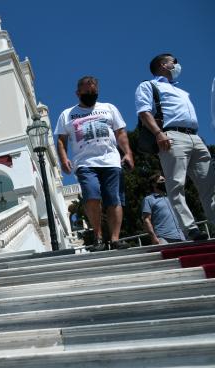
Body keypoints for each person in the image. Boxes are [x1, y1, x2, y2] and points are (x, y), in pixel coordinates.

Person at [136, 54, 215, 241]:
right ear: (163, 65)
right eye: (174, 61)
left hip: (195, 137)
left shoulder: (181, 91)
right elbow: (144, 112)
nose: (177, 65)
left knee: (210, 186)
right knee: (176, 184)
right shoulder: (149, 85)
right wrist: (158, 133)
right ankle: (190, 229)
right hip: (171, 136)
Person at [55, 76, 134, 251]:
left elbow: (120, 133)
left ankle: (115, 239)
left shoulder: (109, 108)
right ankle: (98, 237)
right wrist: (63, 159)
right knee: (91, 197)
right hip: (84, 162)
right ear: (78, 93)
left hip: (111, 160)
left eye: (94, 91)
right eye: (87, 91)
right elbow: (61, 140)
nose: (91, 94)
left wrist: (128, 153)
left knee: (114, 199)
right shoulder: (67, 114)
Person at [141, 173, 185, 245]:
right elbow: (146, 220)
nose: (165, 182)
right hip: (163, 237)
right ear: (154, 184)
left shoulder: (171, 197)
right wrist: (153, 237)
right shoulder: (148, 199)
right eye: (162, 180)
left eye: (165, 180)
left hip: (181, 236)